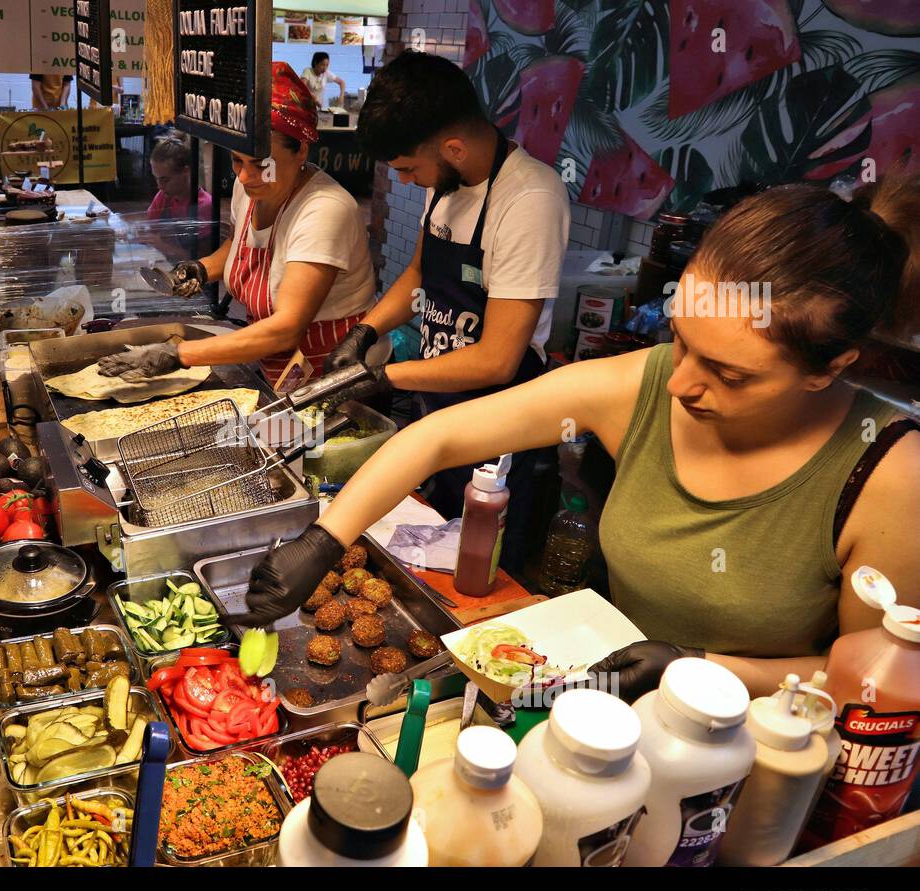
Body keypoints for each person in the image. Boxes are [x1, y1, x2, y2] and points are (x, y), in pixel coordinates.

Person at [231, 175, 920, 702]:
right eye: (681, 342)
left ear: (833, 366)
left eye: (730, 374)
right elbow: (441, 438)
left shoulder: (889, 475)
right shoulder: (641, 385)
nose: (681, 385)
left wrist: (703, 668)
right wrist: (324, 539)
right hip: (606, 711)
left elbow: (878, 679)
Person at [327, 50, 569, 549]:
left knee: (481, 564)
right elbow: (419, 273)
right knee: (429, 545)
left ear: (454, 147)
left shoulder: (529, 201)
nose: (404, 181)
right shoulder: (449, 182)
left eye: (409, 168)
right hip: (437, 406)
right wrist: (364, 333)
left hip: (498, 431)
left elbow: (499, 360)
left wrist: (382, 375)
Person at [99, 63, 376, 386]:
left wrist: (179, 354)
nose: (244, 177)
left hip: (336, 378)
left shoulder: (325, 210)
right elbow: (241, 246)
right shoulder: (252, 188)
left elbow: (287, 328)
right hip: (280, 368)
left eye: (260, 164)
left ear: (301, 149)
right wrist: (202, 269)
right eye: (236, 161)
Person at [146, 134, 213, 244]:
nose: (159, 186)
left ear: (185, 171)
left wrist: (161, 246)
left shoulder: (204, 205)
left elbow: (203, 257)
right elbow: (150, 229)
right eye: (156, 178)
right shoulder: (163, 196)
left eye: (165, 180)